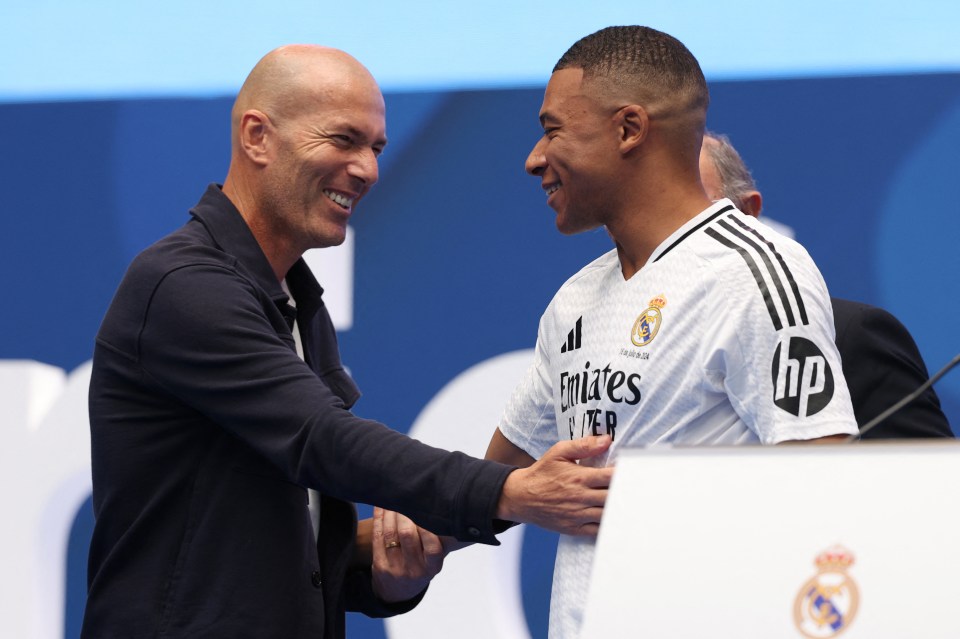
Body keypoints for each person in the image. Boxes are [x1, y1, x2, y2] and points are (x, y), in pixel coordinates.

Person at [82, 45, 614, 639]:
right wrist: (511, 491)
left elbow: (272, 546)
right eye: (343, 140)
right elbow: (323, 440)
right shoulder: (183, 286)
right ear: (257, 136)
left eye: (377, 148)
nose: (367, 169)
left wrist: (386, 577)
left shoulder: (296, 302)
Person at [484, 26, 859, 638]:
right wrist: (335, 548)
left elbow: (827, 491)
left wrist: (650, 506)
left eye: (553, 130)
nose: (534, 158)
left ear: (629, 129)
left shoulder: (755, 271)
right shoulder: (574, 300)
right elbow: (492, 485)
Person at [699, 131, 953, 438]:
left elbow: (923, 477)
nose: (673, 237)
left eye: (691, 213)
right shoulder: (628, 325)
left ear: (748, 213)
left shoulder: (851, 336)